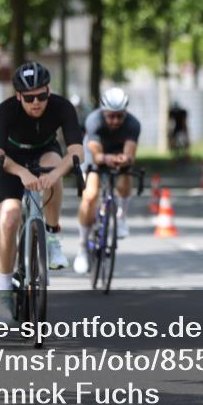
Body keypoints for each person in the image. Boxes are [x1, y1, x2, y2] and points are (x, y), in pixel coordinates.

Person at [0, 62, 85, 325]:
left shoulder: (62, 107)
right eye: (29, 98)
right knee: (10, 217)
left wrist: (55, 174)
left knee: (55, 165)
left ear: (49, 91)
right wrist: (21, 173)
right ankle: (5, 295)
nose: (36, 103)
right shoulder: (6, 111)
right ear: (18, 96)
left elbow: (77, 151)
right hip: (12, 161)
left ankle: (51, 237)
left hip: (45, 151)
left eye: (42, 96)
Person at [73, 87, 141, 274]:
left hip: (118, 152)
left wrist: (125, 159)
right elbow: (95, 152)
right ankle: (82, 247)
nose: (115, 121)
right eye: (111, 116)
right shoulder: (93, 120)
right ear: (103, 111)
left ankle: (122, 217)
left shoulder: (133, 124)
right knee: (91, 195)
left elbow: (130, 151)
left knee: (127, 174)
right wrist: (105, 159)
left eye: (120, 116)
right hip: (96, 155)